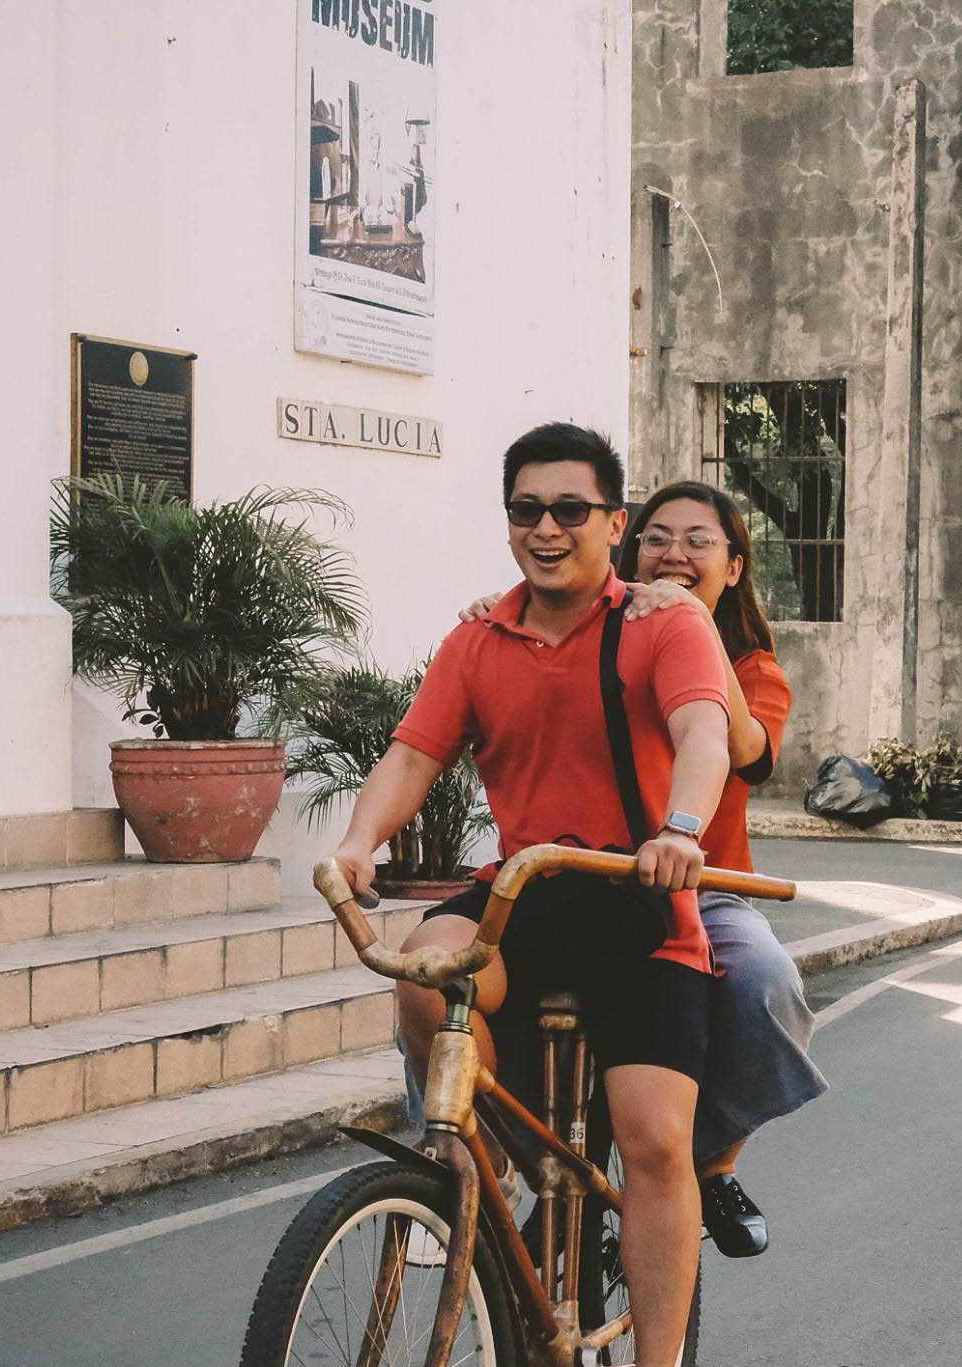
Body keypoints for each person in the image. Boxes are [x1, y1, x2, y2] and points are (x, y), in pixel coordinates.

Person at [328, 423, 725, 1366]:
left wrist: (680, 829)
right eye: (526, 509)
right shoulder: (478, 639)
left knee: (655, 1141)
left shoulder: (662, 623)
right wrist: (355, 842)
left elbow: (702, 732)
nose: (546, 528)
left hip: (639, 907)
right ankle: (490, 1173)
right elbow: (413, 755)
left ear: (614, 523)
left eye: (570, 510)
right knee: (425, 974)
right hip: (526, 896)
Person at [460, 479, 825, 1259]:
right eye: (656, 538)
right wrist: (507, 619)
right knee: (446, 985)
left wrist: (690, 622)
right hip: (581, 878)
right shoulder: (599, 634)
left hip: (705, 890)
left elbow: (744, 749)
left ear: (734, 566)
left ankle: (714, 1162)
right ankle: (485, 1158)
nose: (674, 553)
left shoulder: (755, 668)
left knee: (766, 986)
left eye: (699, 541)